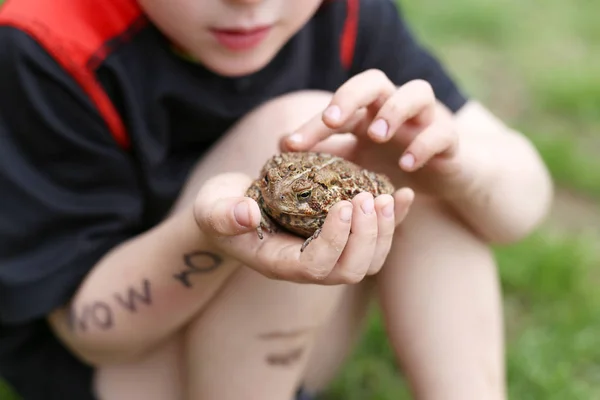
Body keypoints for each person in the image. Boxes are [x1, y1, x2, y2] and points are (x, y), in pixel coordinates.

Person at [0, 0, 553, 399]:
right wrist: (211, 237)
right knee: (298, 128)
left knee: (419, 159)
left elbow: (523, 205)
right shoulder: (47, 42)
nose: (250, 2)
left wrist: (458, 168)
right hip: (126, 367)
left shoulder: (344, 13)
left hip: (285, 350)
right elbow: (90, 332)